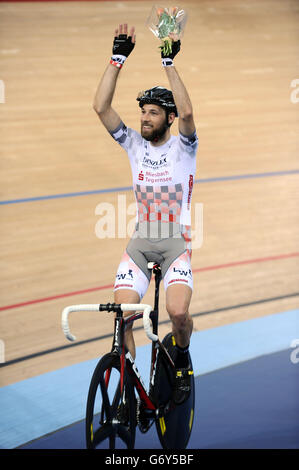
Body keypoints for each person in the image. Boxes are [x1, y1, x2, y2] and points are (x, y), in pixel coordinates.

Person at [93, 24, 198, 404]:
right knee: (123, 316)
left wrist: (167, 60)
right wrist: (116, 59)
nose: (144, 118)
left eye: (153, 113)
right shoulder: (134, 145)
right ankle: (129, 387)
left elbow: (187, 109)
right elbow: (101, 107)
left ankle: (182, 356)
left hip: (176, 243)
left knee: (177, 313)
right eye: (143, 112)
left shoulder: (185, 147)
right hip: (141, 241)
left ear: (168, 118)